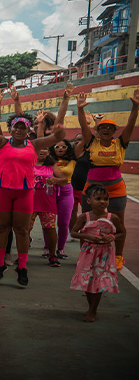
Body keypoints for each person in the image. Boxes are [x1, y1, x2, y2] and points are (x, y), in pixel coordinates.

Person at [0, 102, 65, 287]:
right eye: (15, 127)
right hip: (3, 191)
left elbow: (59, 136)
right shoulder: (2, 142)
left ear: (28, 130)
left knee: (22, 230)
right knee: (2, 228)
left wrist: (61, 115)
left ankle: (22, 267)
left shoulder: (35, 144)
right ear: (11, 129)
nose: (18, 130)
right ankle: (0, 263)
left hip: (25, 193)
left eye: (22, 127)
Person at [75, 90, 138, 264]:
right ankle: (84, 254)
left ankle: (118, 256)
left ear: (114, 131)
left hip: (115, 188)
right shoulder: (91, 141)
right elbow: (83, 126)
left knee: (118, 223)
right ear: (98, 130)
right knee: (87, 222)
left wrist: (136, 107)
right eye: (103, 127)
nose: (106, 130)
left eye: (110, 128)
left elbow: (131, 126)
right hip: (92, 188)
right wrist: (80, 110)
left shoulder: (120, 143)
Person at [70, 184, 125, 322]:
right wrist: (88, 237)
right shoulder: (84, 217)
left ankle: (93, 310)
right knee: (87, 280)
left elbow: (122, 233)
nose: (102, 201)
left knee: (99, 281)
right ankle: (90, 307)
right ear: (89, 201)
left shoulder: (113, 218)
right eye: (98, 198)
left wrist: (112, 237)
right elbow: (73, 232)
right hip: (88, 252)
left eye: (105, 199)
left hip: (105, 253)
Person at [31, 147, 68, 266]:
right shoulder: (28, 163)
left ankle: (52, 256)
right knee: (24, 230)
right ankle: (22, 256)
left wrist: (56, 180)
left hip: (47, 203)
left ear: (48, 152)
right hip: (29, 203)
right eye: (39, 148)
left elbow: (64, 180)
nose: (41, 151)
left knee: (50, 229)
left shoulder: (52, 165)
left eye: (45, 149)